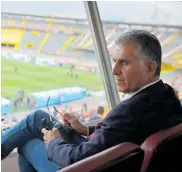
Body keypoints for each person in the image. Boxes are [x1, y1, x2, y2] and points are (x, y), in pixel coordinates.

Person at [2, 30, 182, 172]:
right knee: (36, 118)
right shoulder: (168, 95)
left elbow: (77, 160)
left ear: (149, 68)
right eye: (114, 62)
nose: (114, 71)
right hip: (107, 159)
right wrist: (86, 129)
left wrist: (54, 142)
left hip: (88, 165)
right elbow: (120, 132)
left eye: (124, 63)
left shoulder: (129, 111)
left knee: (26, 142)